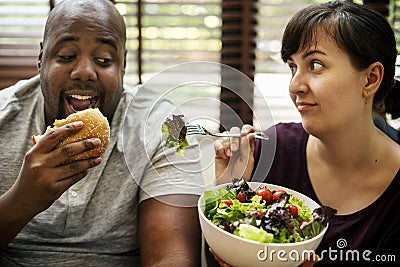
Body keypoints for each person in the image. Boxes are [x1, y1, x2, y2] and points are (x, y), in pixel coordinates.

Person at [0, 0, 204, 266]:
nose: (84, 71)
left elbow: (172, 256)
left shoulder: (171, 128)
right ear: (41, 59)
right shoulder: (4, 116)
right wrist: (23, 199)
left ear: (123, 65)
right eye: (66, 56)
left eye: (104, 60)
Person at [212, 1, 400, 266]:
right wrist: (230, 193)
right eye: (292, 67)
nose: (296, 85)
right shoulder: (268, 152)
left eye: (315, 65)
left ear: (370, 79)